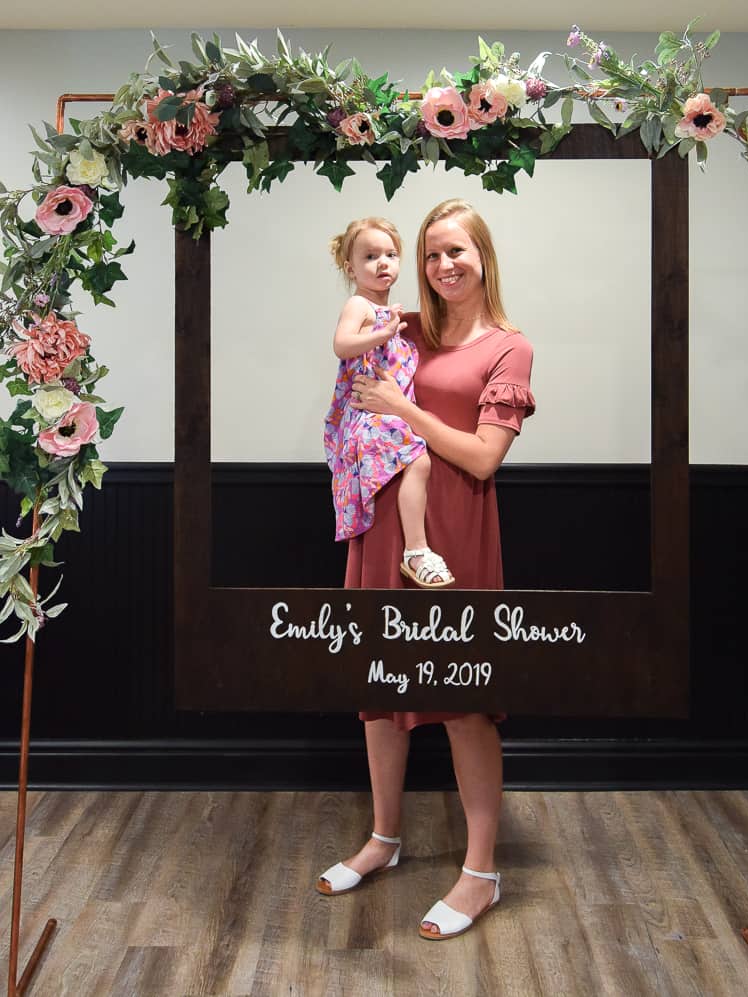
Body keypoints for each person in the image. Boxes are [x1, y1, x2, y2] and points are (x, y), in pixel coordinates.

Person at [316, 199, 535, 940]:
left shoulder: (510, 348)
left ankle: (481, 873)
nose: (444, 264)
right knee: (378, 691)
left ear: (484, 257)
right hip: (387, 524)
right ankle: (384, 836)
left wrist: (403, 415)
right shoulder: (401, 325)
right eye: (432, 253)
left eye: (458, 251)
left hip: (458, 535)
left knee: (467, 701)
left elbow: (480, 455)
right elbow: (351, 360)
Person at [323, 217, 455, 588]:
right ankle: (416, 548)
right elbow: (342, 344)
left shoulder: (390, 313)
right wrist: (381, 332)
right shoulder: (359, 306)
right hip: (368, 413)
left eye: (390, 254)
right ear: (351, 268)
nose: (383, 263)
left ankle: (415, 547)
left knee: (420, 460)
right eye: (370, 256)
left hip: (386, 409)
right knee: (420, 458)